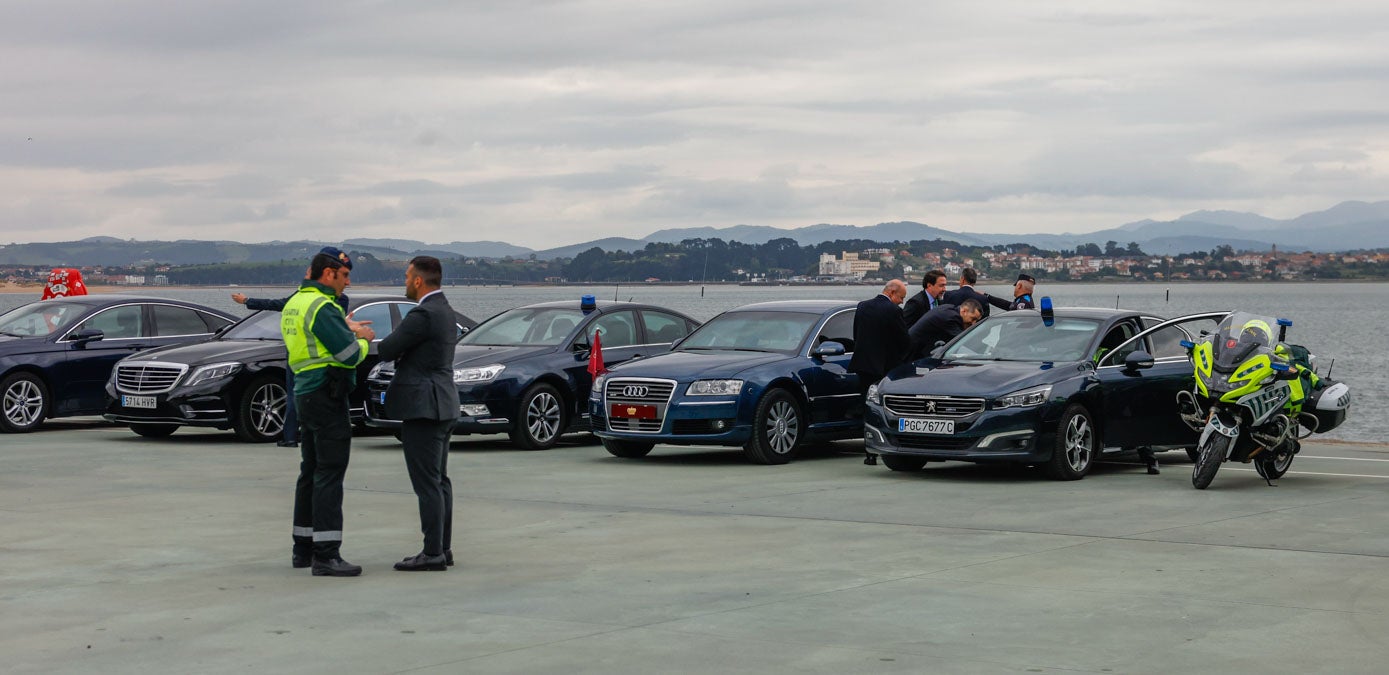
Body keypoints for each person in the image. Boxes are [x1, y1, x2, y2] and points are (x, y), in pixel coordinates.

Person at [282, 247, 375, 577]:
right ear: (328, 274)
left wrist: (342, 327)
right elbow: (349, 356)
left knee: (310, 470)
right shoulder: (323, 305)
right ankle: (327, 554)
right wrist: (362, 337)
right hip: (326, 392)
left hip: (305, 392)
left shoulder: (296, 302)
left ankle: (302, 548)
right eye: (345, 275)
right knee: (330, 472)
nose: (348, 282)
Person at [376, 256, 461, 572]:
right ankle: (442, 547)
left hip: (424, 407)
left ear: (417, 281)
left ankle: (432, 552)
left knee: (427, 483)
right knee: (439, 481)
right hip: (443, 402)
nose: (405, 281)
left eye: (407, 276)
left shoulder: (423, 313)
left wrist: (359, 332)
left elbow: (387, 349)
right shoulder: (445, 310)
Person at [233, 270, 351, 448]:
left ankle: (291, 436)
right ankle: (304, 435)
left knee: (297, 396)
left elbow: (277, 304)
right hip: (314, 356)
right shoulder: (331, 300)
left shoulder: (304, 299)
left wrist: (248, 301)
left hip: (298, 355)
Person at [848, 280, 910, 465]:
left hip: (863, 365)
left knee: (866, 406)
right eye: (901, 297)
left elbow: (856, 334)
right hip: (884, 368)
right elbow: (904, 340)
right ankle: (889, 446)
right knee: (885, 408)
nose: (901, 302)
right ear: (891, 293)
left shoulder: (862, 306)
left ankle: (869, 451)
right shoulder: (893, 311)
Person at [907, 298, 983, 361]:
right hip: (912, 352)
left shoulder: (949, 309)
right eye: (973, 318)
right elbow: (963, 341)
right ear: (964, 311)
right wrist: (984, 352)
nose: (973, 323)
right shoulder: (951, 318)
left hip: (915, 348)